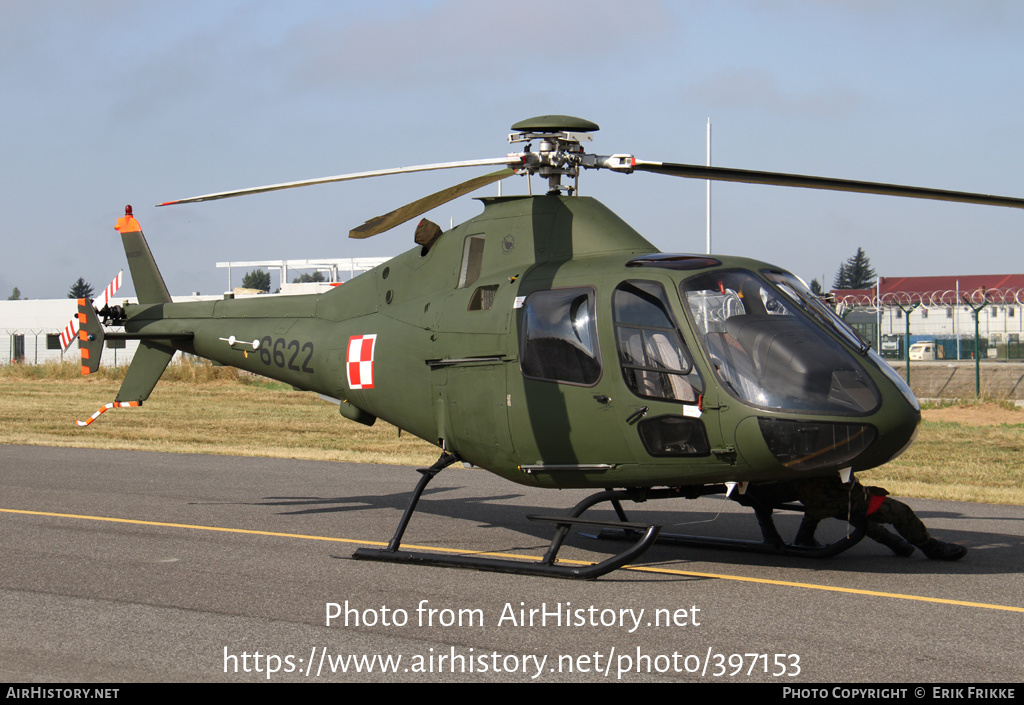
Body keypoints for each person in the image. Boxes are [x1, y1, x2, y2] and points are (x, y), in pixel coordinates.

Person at [792, 476, 967, 561]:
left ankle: (895, 542)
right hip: (829, 494)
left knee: (852, 509)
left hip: (814, 490)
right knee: (899, 511)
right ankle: (929, 547)